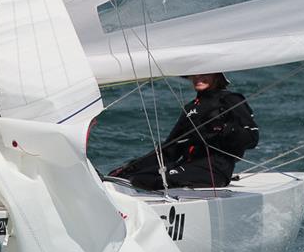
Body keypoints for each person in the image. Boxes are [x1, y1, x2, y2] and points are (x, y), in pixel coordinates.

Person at [109, 73, 259, 190]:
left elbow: (252, 137)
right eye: (195, 74)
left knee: (154, 181)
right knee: (129, 178)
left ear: (217, 75)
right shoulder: (191, 107)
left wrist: (224, 130)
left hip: (215, 170)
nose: (198, 77)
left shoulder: (230, 99)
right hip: (188, 166)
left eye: (205, 73)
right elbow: (170, 150)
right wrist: (131, 167)